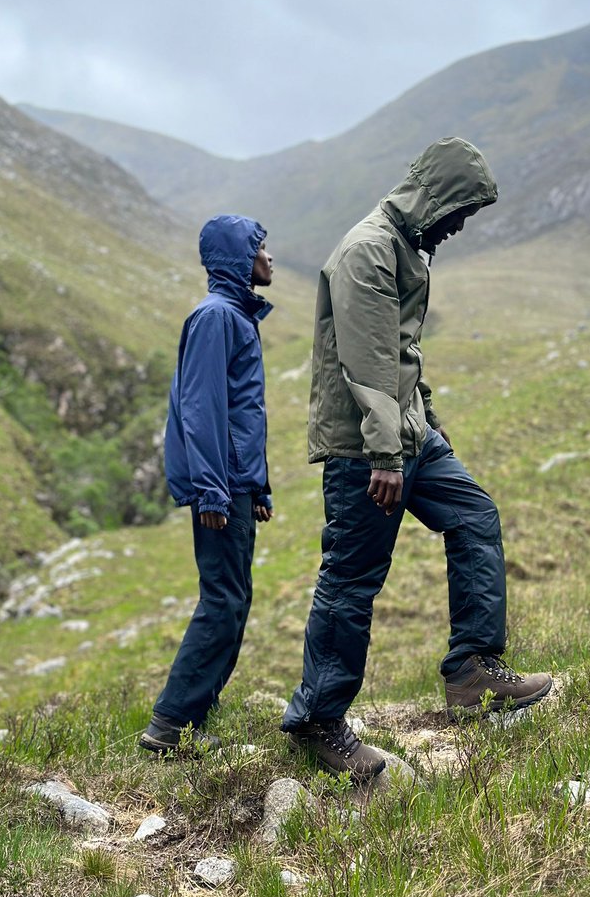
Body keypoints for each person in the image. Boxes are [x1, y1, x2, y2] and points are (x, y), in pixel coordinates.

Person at [281, 137, 552, 781]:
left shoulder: (407, 248)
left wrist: (429, 429)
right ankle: (317, 721)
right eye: (459, 212)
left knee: (475, 516)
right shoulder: (368, 252)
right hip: (367, 450)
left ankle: (473, 674)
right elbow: (368, 367)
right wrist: (386, 453)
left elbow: (404, 361)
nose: (460, 227)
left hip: (409, 439)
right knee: (352, 580)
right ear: (434, 198)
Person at [140, 214, 274, 753]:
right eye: (261, 248)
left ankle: (195, 718)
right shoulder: (216, 317)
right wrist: (213, 489)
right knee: (222, 600)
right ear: (240, 258)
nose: (270, 258)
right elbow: (201, 410)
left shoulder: (234, 316)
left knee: (233, 598)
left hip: (234, 486)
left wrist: (255, 486)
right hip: (219, 489)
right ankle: (171, 724)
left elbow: (240, 413)